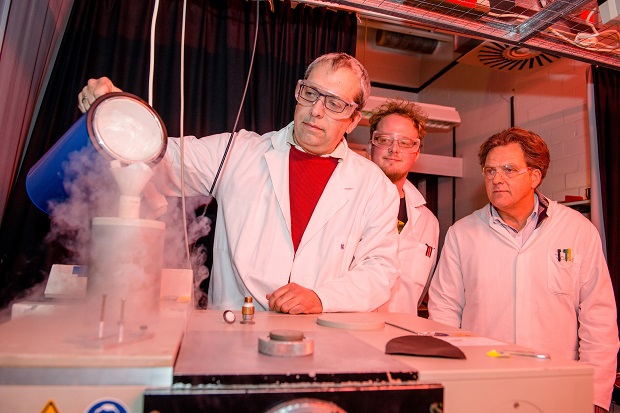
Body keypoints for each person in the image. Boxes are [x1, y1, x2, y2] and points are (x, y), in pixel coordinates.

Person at [78, 53, 401, 315]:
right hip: (232, 329)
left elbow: (380, 270)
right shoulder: (238, 152)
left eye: (334, 103)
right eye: (311, 93)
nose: (316, 110)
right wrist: (117, 112)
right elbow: (163, 156)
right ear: (298, 92)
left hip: (323, 336)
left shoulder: (373, 186)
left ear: (353, 120)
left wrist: (321, 298)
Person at [428, 127, 619, 411]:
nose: (497, 179)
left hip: (557, 386)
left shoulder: (577, 230)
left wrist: (594, 396)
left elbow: (598, 319)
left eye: (508, 169)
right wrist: (451, 381)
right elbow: (443, 314)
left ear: (535, 176)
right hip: (482, 386)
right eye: (490, 171)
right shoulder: (462, 233)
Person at [366, 100, 439, 313]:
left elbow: (419, 293)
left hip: (401, 338)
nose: (394, 149)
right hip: (350, 334)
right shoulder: (344, 203)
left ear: (416, 153)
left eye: (405, 143)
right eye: (385, 139)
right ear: (370, 146)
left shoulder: (428, 222)